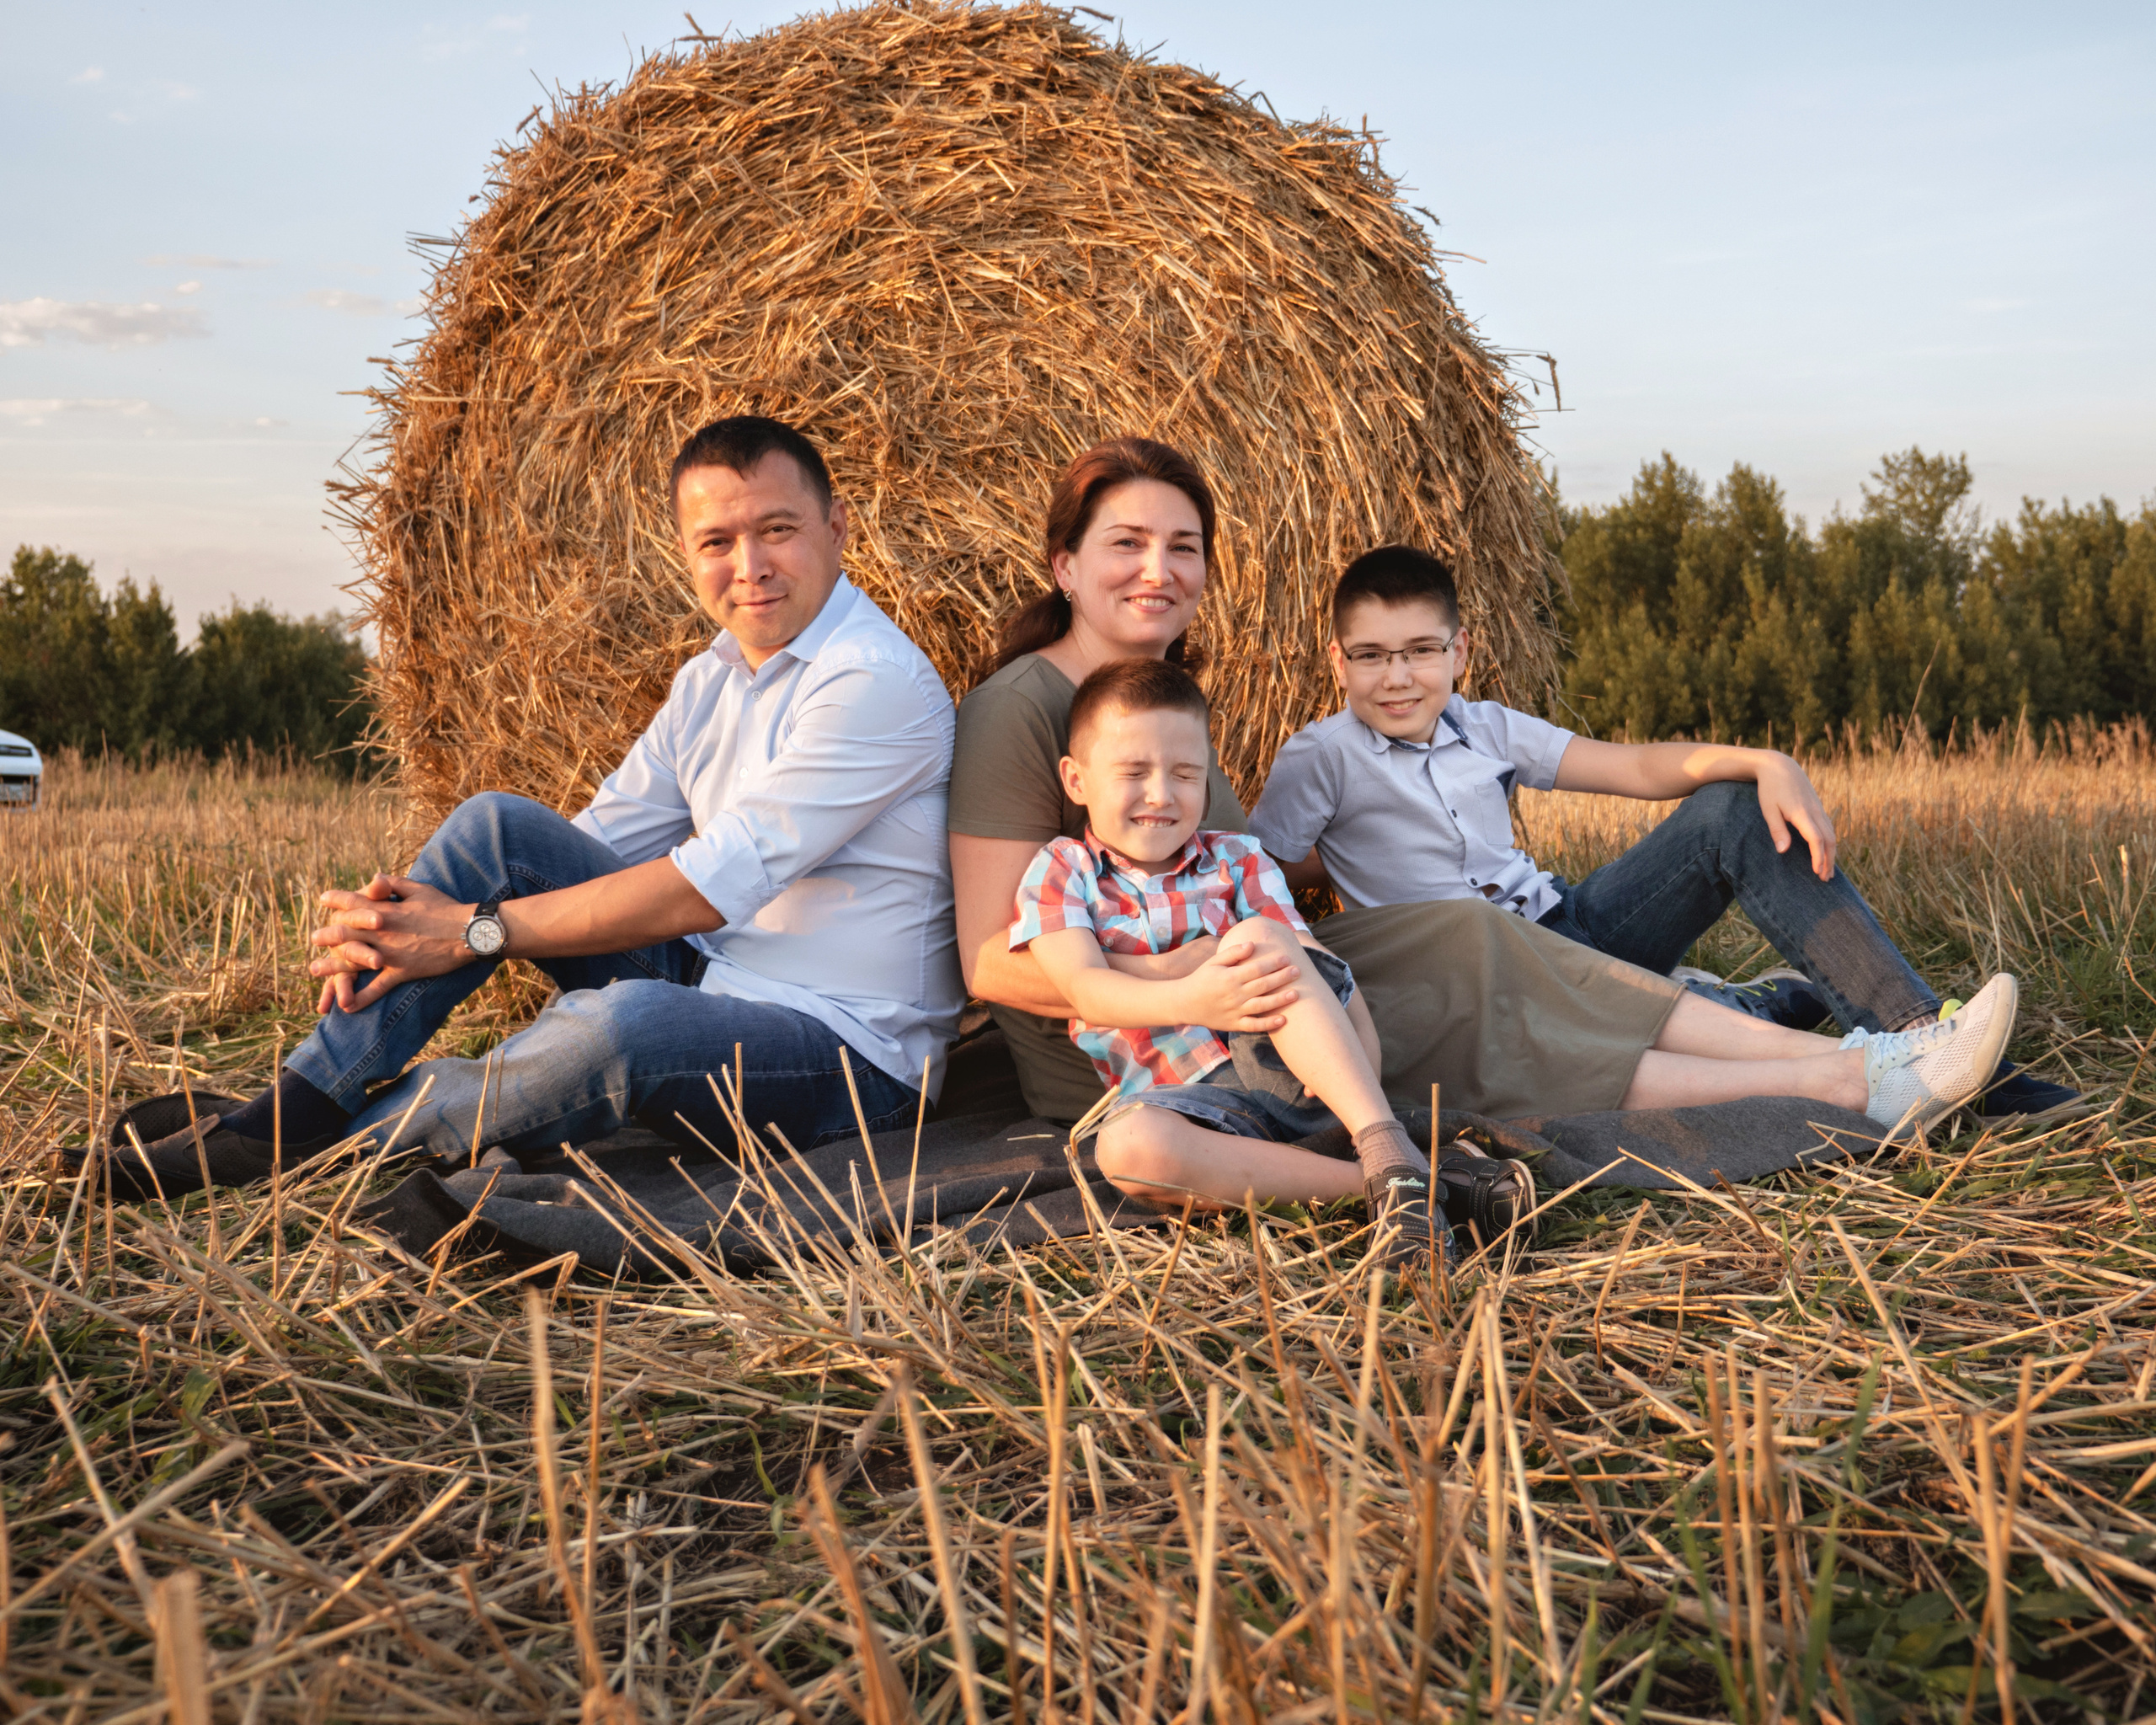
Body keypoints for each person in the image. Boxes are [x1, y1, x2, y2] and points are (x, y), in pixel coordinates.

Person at [947, 435, 2006, 1144]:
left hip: (1262, 981)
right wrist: (1192, 978)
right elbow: (992, 961)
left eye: (1183, 547)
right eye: (1126, 544)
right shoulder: (1022, 707)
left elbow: (1254, 870)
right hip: (1151, 1046)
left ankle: (1877, 1060)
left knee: (1480, 943)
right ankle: (1851, 1077)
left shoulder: (1161, 706)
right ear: (1063, 564)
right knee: (1485, 970)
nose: (1159, 569)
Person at [82, 415, 964, 1196]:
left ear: (836, 526)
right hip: (710, 976)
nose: (750, 567)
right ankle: (299, 1102)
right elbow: (582, 850)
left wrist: (473, 932)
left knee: (624, 1024)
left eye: (777, 530)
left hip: (845, 1059)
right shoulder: (711, 680)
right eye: (717, 542)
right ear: (684, 553)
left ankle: (332, 1143)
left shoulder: (873, 682)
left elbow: (706, 886)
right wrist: (412, 924)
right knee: (495, 829)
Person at [1024, 658, 2020, 1254]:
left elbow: (1318, 962)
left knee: (1274, 940)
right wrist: (1199, 984)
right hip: (1224, 1092)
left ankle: (1894, 1048)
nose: (1160, 792)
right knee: (1126, 1149)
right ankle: (1405, 1180)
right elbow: (1079, 982)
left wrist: (1756, 756)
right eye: (1133, 771)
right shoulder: (1082, 863)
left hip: (1395, 1023)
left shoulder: (1244, 853)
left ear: (1458, 651)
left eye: (1184, 772)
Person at [1247, 544, 2077, 1116]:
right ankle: (1761, 1008)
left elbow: (1638, 768)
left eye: (1421, 650)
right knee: (1697, 1024)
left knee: (1730, 807)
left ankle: (1926, 1043)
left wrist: (1762, 759)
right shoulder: (1319, 758)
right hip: (1486, 983)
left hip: (1568, 928)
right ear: (1337, 660)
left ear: (1459, 651)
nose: (1397, 676)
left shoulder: (1486, 726)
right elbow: (1266, 874)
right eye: (1371, 655)